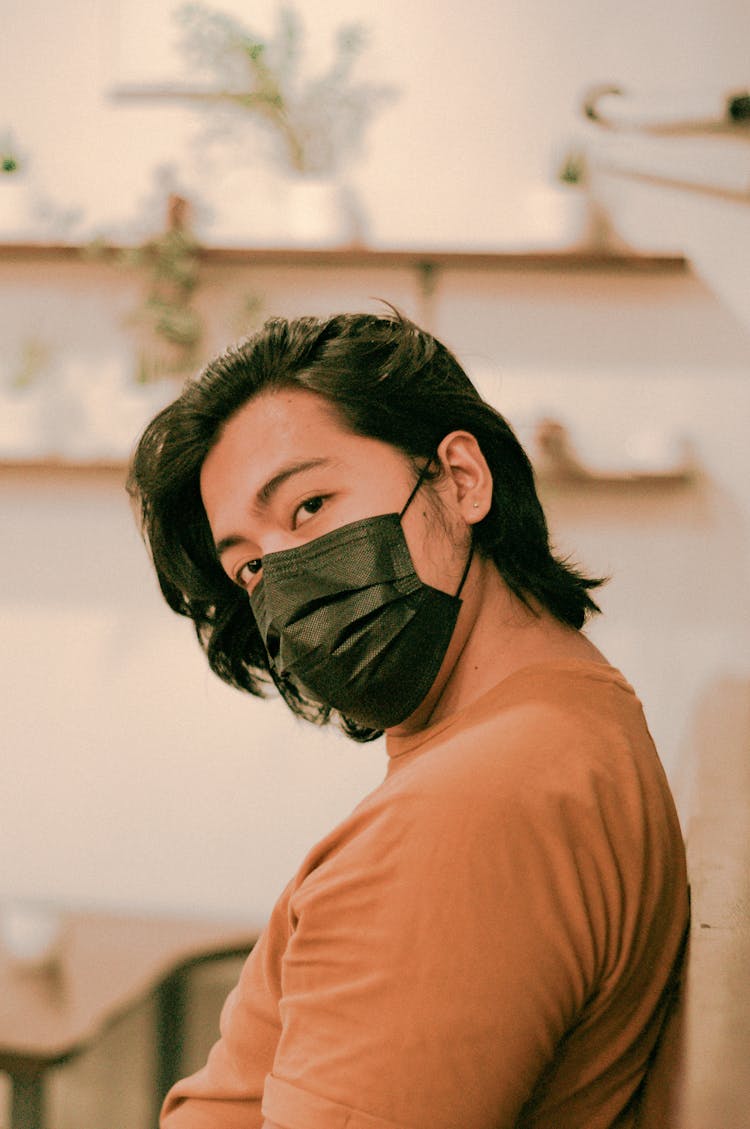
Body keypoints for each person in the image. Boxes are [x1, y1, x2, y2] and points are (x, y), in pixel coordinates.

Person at [128, 309, 689, 1129]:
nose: (281, 580)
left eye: (310, 504)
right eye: (249, 565)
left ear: (461, 478)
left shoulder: (470, 813)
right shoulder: (567, 714)